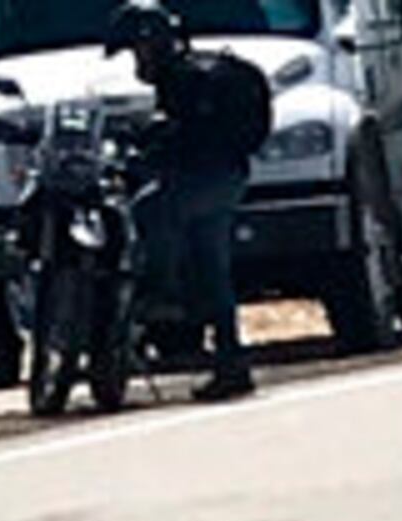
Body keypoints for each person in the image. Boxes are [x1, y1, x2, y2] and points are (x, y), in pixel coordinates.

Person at [128, 0, 269, 402]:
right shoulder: (196, 72)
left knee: (149, 210)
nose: (135, 61)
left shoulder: (181, 80)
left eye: (137, 51)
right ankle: (232, 363)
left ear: (152, 45)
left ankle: (162, 294)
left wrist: (148, 151)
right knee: (213, 270)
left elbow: (185, 136)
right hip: (229, 178)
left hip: (205, 179)